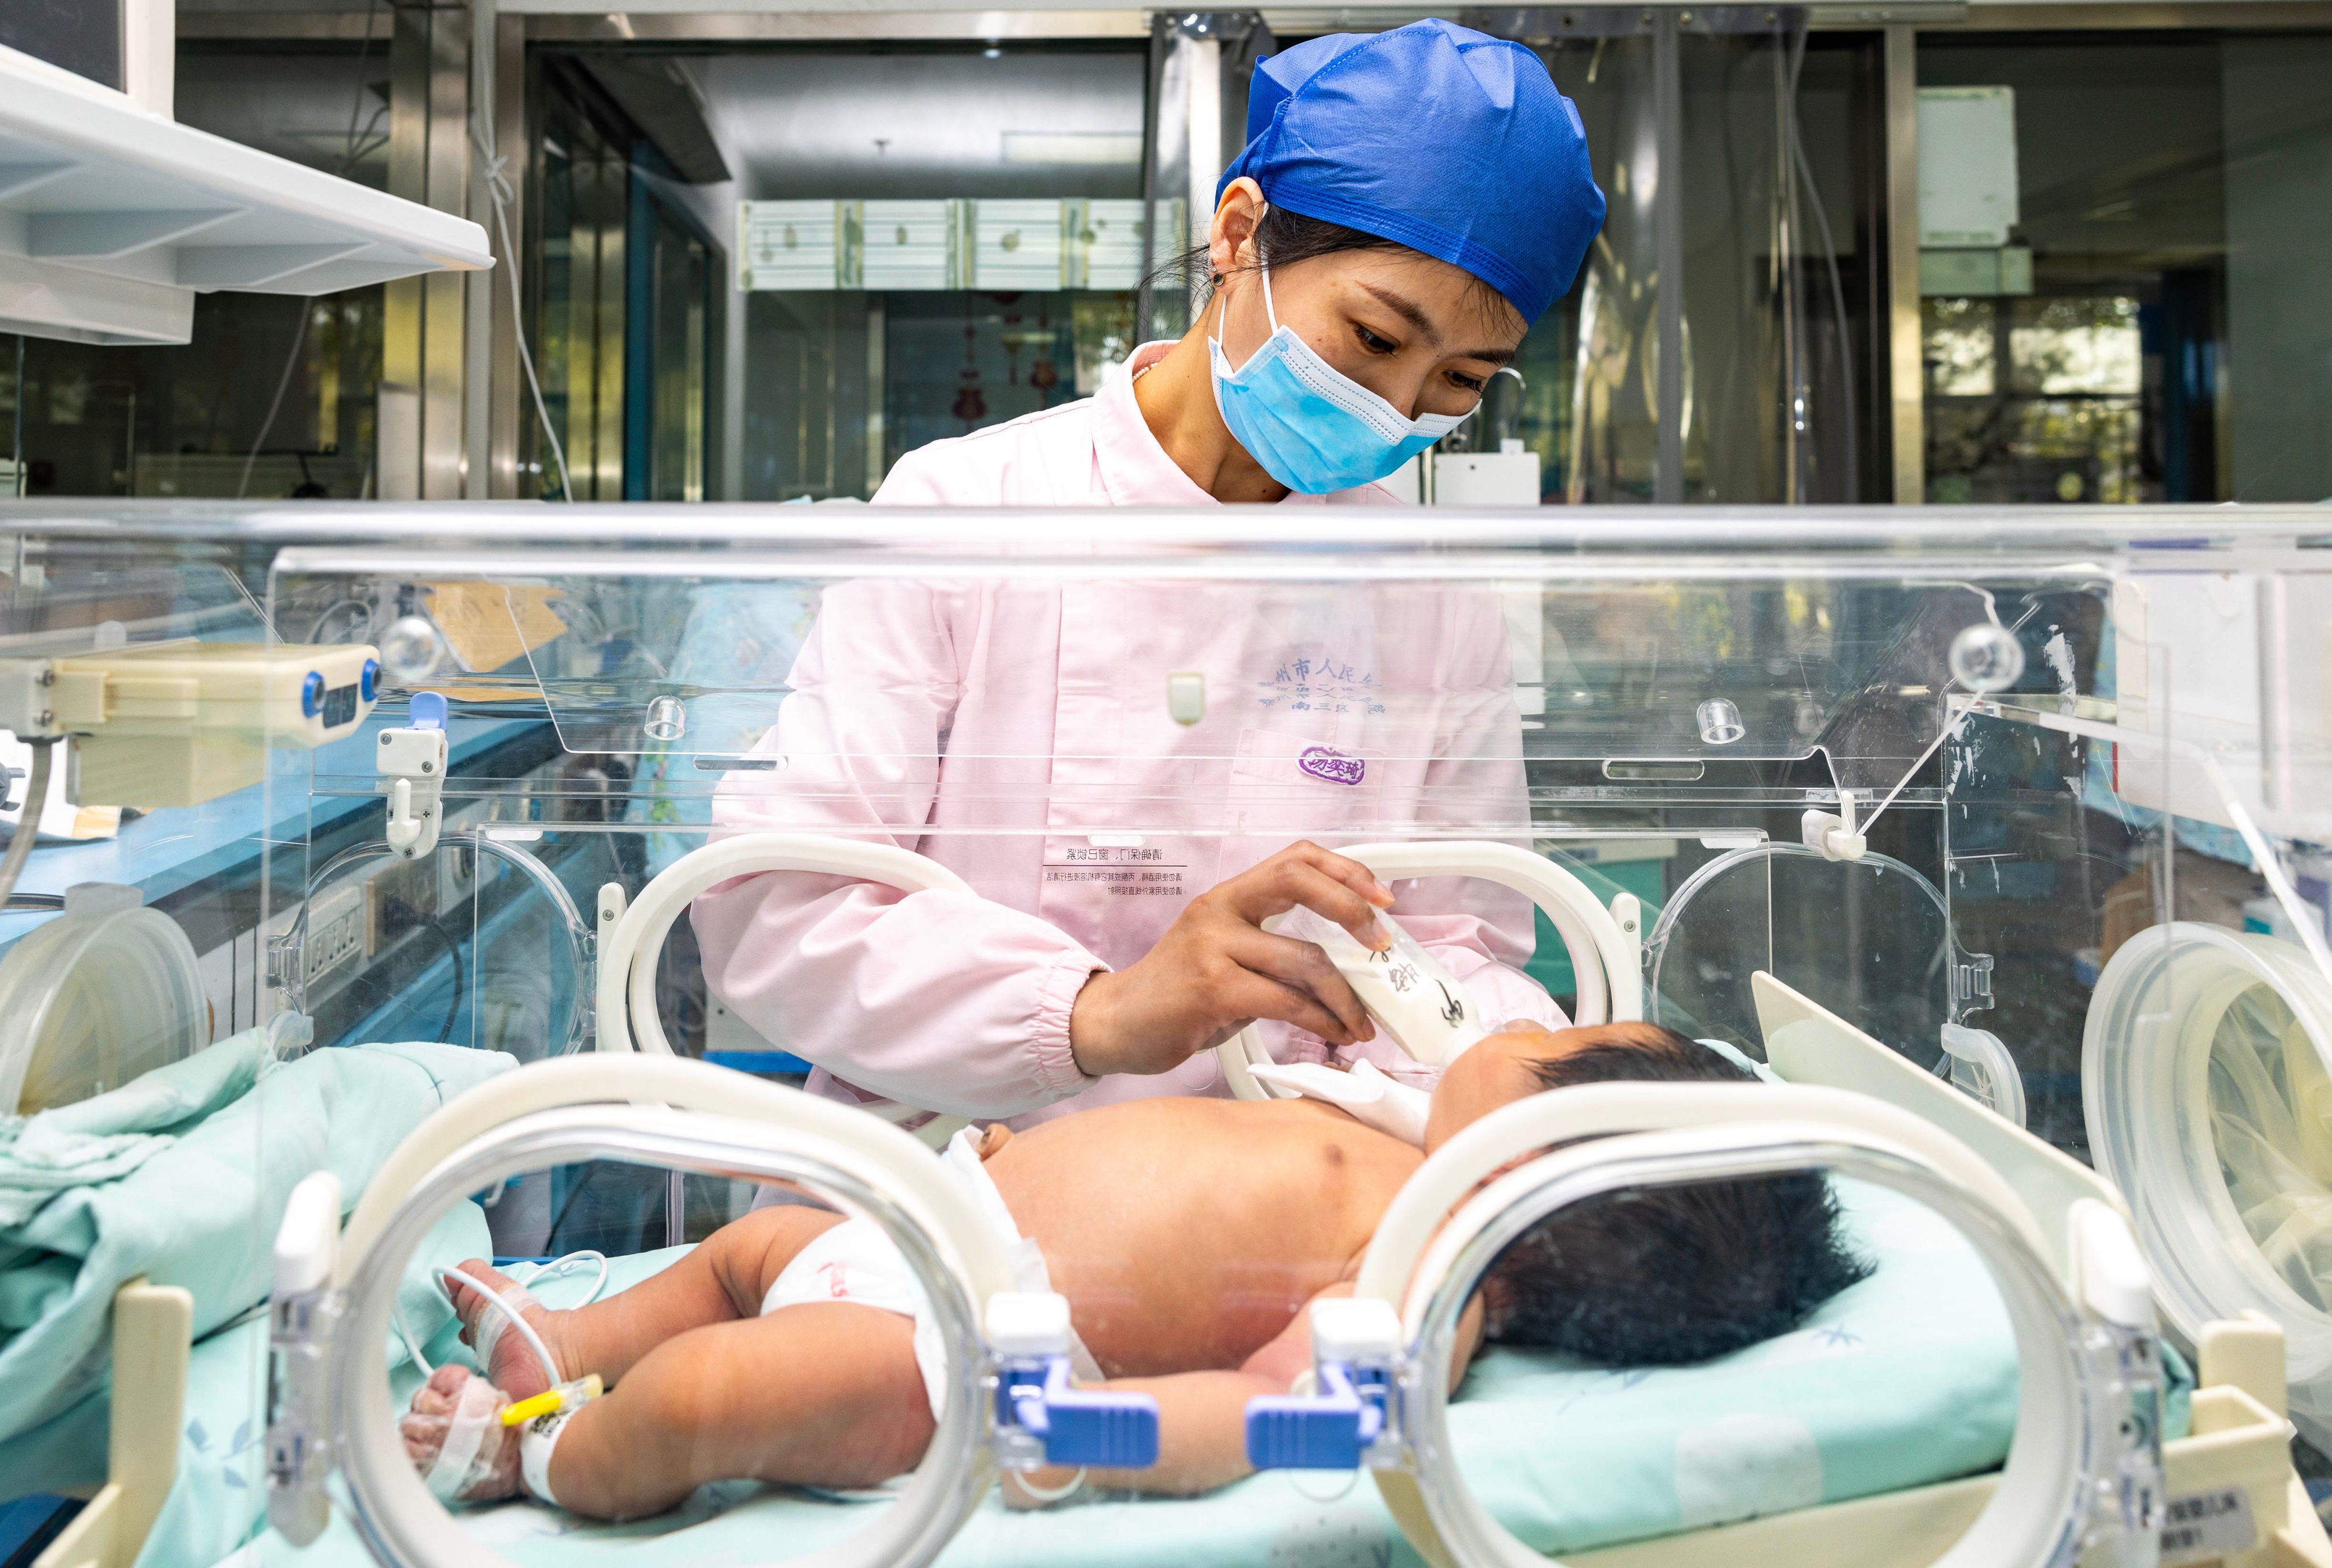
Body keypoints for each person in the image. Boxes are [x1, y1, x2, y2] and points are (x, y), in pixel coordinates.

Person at [692, 20, 1611, 1126]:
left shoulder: (1426, 597)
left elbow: (1454, 941)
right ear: (1239, 234)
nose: (1398, 407)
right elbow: (779, 900)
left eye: (1462, 378)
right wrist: (1097, 1014)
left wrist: (1524, 1075)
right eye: (1373, 339)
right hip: (954, 1168)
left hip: (1275, 1187)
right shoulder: (973, 508)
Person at [400, 1023, 1868, 1517]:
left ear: (1545, 1148)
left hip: (949, 1355)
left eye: (1545, 1053)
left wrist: (1074, 1427)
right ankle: (571, 1335)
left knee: (719, 1390)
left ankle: (545, 1462)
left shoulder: (1424, 1283)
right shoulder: (1400, 1140)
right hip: (927, 1222)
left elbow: (1290, 1416)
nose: (1517, 1028)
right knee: (743, 1250)